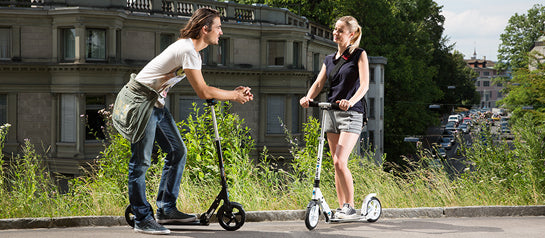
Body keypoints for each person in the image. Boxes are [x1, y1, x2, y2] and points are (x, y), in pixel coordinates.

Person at [112, 8, 253, 235]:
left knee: (177, 151)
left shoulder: (192, 51)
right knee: (140, 162)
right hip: (141, 103)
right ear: (205, 29)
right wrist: (234, 96)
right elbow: (203, 91)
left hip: (155, 103)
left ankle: (166, 209)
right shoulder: (187, 49)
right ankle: (142, 218)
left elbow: (204, 87)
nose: (221, 31)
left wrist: (231, 92)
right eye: (218, 27)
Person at [299, 16, 369, 219]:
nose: (335, 33)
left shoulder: (359, 55)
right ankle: (341, 207)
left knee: (340, 161)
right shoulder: (329, 59)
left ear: (352, 34)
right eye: (335, 29)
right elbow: (319, 83)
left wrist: (351, 100)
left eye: (340, 30)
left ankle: (350, 205)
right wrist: (308, 97)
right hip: (331, 112)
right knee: (334, 161)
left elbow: (364, 85)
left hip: (352, 113)